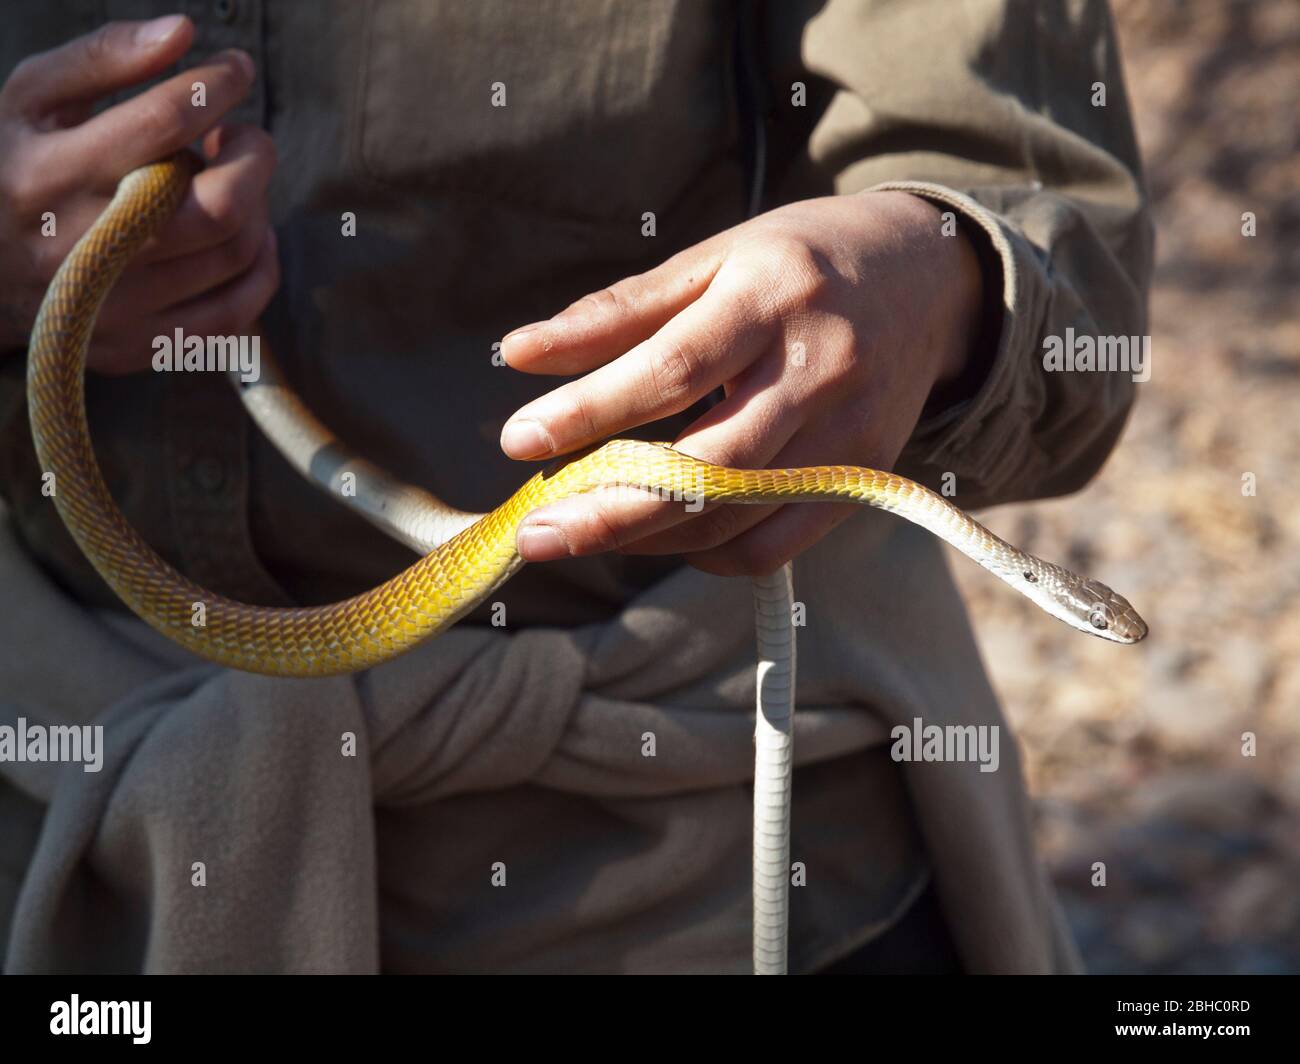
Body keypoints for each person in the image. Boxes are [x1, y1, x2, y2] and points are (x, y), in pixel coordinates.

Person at [0, 3, 1151, 973]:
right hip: (75, 845)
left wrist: (928, 275)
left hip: (726, 855)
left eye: (1092, 612)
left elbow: (1059, 237)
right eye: (1087, 609)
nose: (1093, 618)